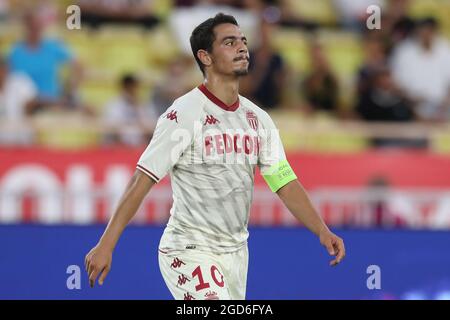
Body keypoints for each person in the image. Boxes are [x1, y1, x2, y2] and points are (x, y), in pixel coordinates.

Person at [85, 13, 345, 300]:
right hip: (189, 248)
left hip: (236, 253)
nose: (242, 47)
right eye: (229, 42)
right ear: (205, 57)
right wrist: (107, 242)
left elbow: (283, 182)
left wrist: (321, 230)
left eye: (243, 41)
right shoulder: (184, 113)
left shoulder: (258, 119)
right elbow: (142, 180)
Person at [103, 74, 157, 146]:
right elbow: (112, 128)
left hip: (141, 146)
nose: (133, 89)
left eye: (135, 86)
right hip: (119, 147)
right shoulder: (114, 105)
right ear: (124, 87)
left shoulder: (144, 105)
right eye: (130, 87)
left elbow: (152, 125)